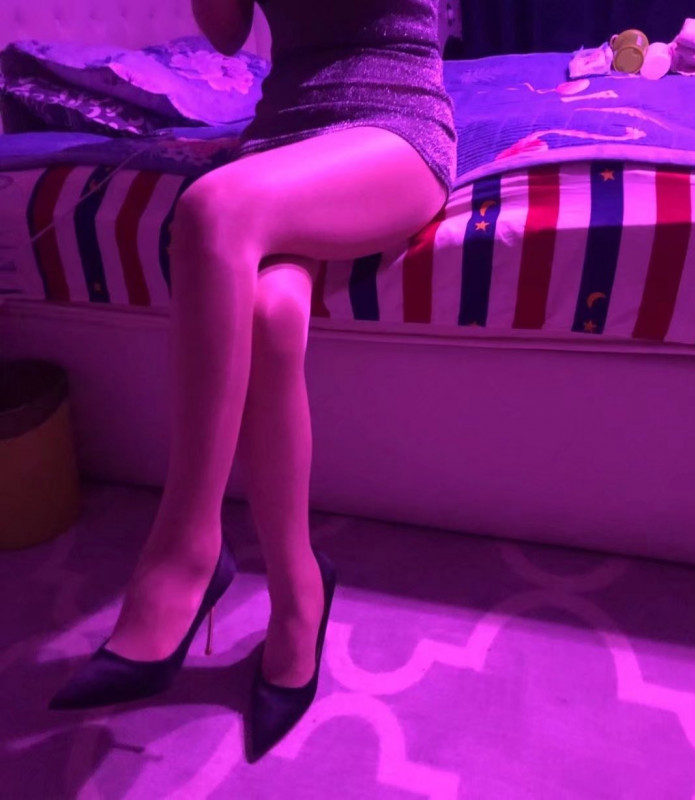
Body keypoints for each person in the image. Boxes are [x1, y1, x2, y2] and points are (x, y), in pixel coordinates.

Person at [48, 0, 457, 762]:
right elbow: (227, 34)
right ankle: (300, 595)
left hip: (393, 127)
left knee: (211, 209)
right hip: (281, 134)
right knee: (271, 317)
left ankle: (185, 551)